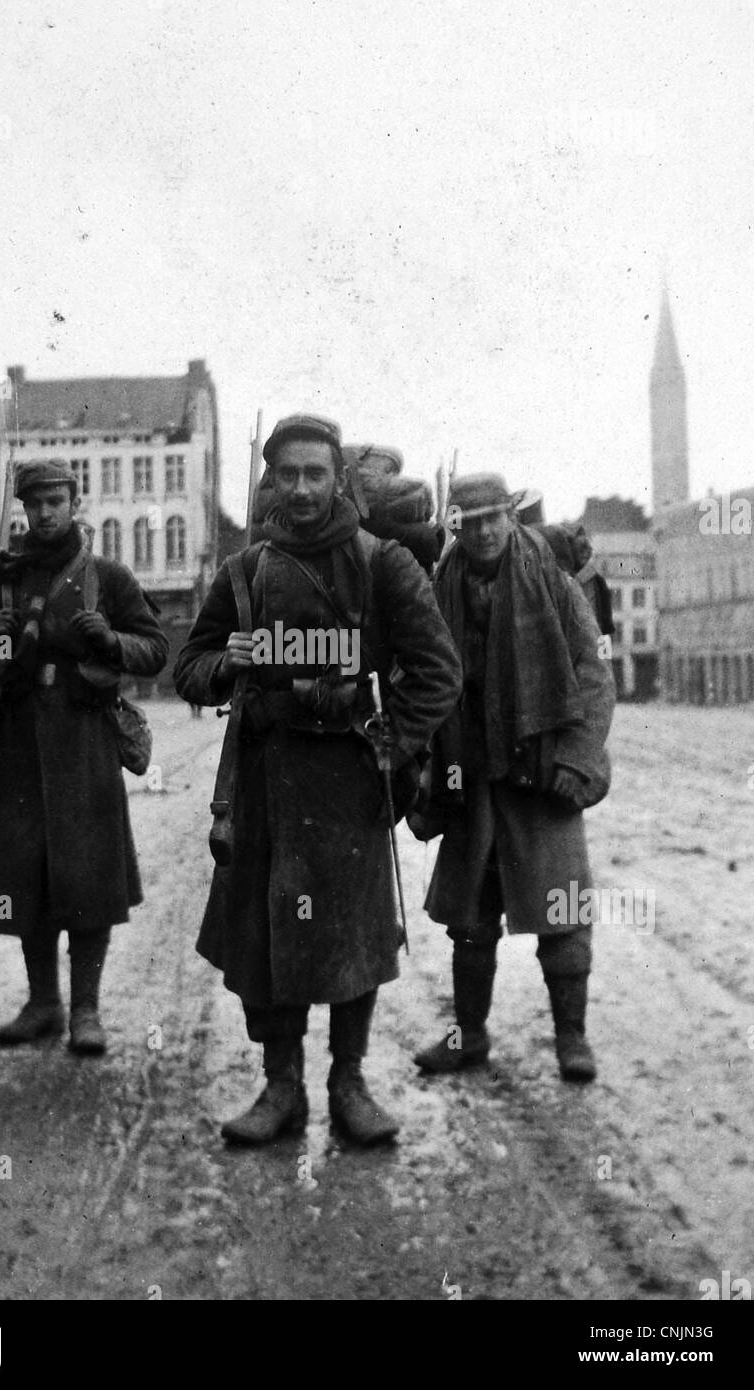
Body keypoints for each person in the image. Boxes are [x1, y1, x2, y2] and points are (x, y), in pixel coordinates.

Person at [174, 414, 462, 1145]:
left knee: (352, 938)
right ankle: (281, 1088)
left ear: (338, 480)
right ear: (271, 481)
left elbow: (438, 671)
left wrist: (391, 744)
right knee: (266, 937)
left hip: (348, 781)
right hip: (265, 780)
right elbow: (190, 669)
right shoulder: (244, 571)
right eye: (288, 475)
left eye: (315, 474)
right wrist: (228, 662)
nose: (301, 489)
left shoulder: (382, 564)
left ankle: (348, 1084)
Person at [0, 460, 168, 1055]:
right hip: (17, 742)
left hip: (84, 739)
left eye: (55, 501)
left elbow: (154, 649)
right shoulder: (2, 576)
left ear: (74, 503)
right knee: (26, 874)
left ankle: (86, 1010)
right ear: (23, 508)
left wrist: (110, 640)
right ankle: (44, 1003)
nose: (44, 513)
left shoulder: (107, 577)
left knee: (89, 876)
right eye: (34, 503)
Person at [412, 473, 615, 1082]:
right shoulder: (441, 586)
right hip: (473, 778)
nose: (483, 532)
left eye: (493, 518)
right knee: (470, 923)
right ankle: (467, 1036)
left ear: (510, 516)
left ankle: (572, 1039)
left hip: (542, 773)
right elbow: (422, 674)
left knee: (563, 916)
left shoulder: (551, 581)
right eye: (470, 523)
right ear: (456, 527)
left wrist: (576, 759)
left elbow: (593, 674)